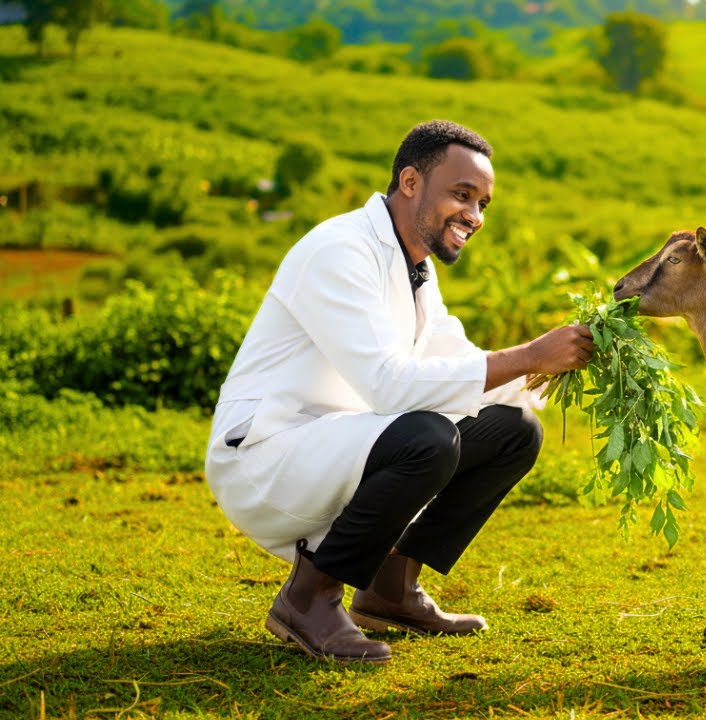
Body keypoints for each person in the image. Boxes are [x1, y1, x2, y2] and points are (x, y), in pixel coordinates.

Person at [204, 120, 595, 663]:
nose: (475, 216)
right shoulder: (340, 251)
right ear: (410, 182)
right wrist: (529, 354)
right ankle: (308, 597)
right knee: (428, 437)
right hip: (266, 453)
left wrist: (553, 374)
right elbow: (389, 385)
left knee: (513, 432)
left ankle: (389, 587)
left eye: (483, 203)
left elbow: (452, 358)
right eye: (462, 195)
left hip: (341, 443)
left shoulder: (417, 270)